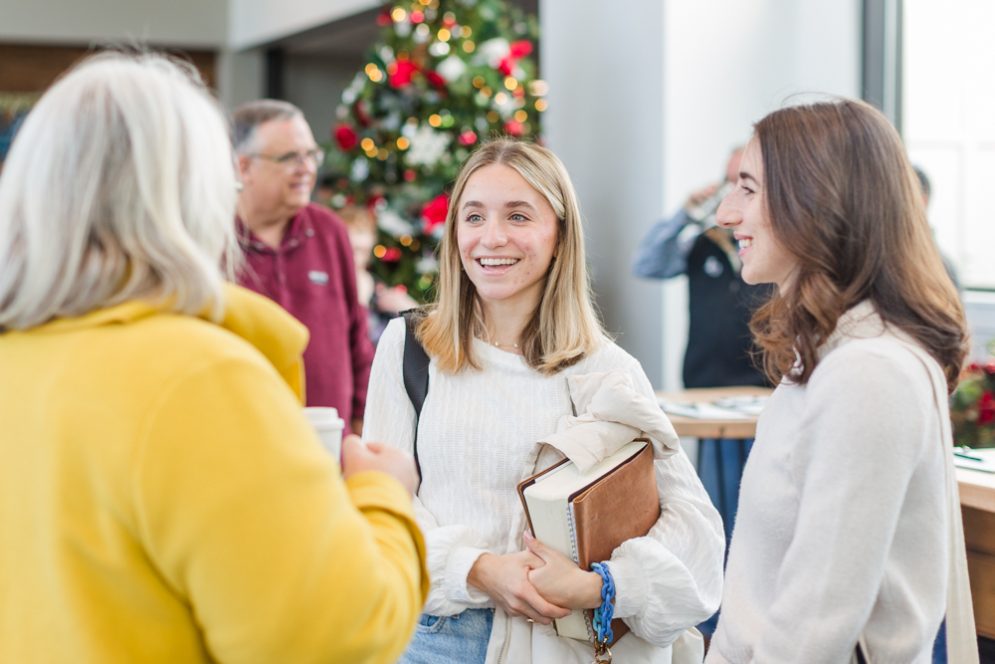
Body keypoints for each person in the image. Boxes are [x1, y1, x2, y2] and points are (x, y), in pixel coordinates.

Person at [0, 51, 428, 663]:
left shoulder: (19, 356)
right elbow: (333, 640)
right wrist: (383, 495)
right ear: (198, 192)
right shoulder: (199, 378)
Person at [363, 139, 724, 663]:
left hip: (556, 646)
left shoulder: (605, 370)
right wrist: (479, 568)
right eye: (474, 216)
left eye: (518, 216)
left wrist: (601, 586)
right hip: (432, 636)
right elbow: (382, 507)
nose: (492, 238)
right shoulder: (411, 348)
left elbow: (696, 533)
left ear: (559, 235)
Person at [706, 99, 973, 663]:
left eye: (748, 189)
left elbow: (816, 622)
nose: (726, 214)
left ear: (815, 199)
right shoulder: (831, 355)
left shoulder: (868, 371)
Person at [233, 99, 373, 435]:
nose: (307, 168)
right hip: (242, 442)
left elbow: (357, 338)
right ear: (244, 167)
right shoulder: (210, 239)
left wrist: (362, 424)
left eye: (311, 155)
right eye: (289, 158)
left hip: (328, 445)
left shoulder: (329, 231)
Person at [632, 146, 769, 390]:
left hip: (764, 387)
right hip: (704, 384)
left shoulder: (777, 247)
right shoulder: (702, 240)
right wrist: (685, 213)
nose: (733, 191)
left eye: (744, 184)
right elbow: (646, 265)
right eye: (728, 181)